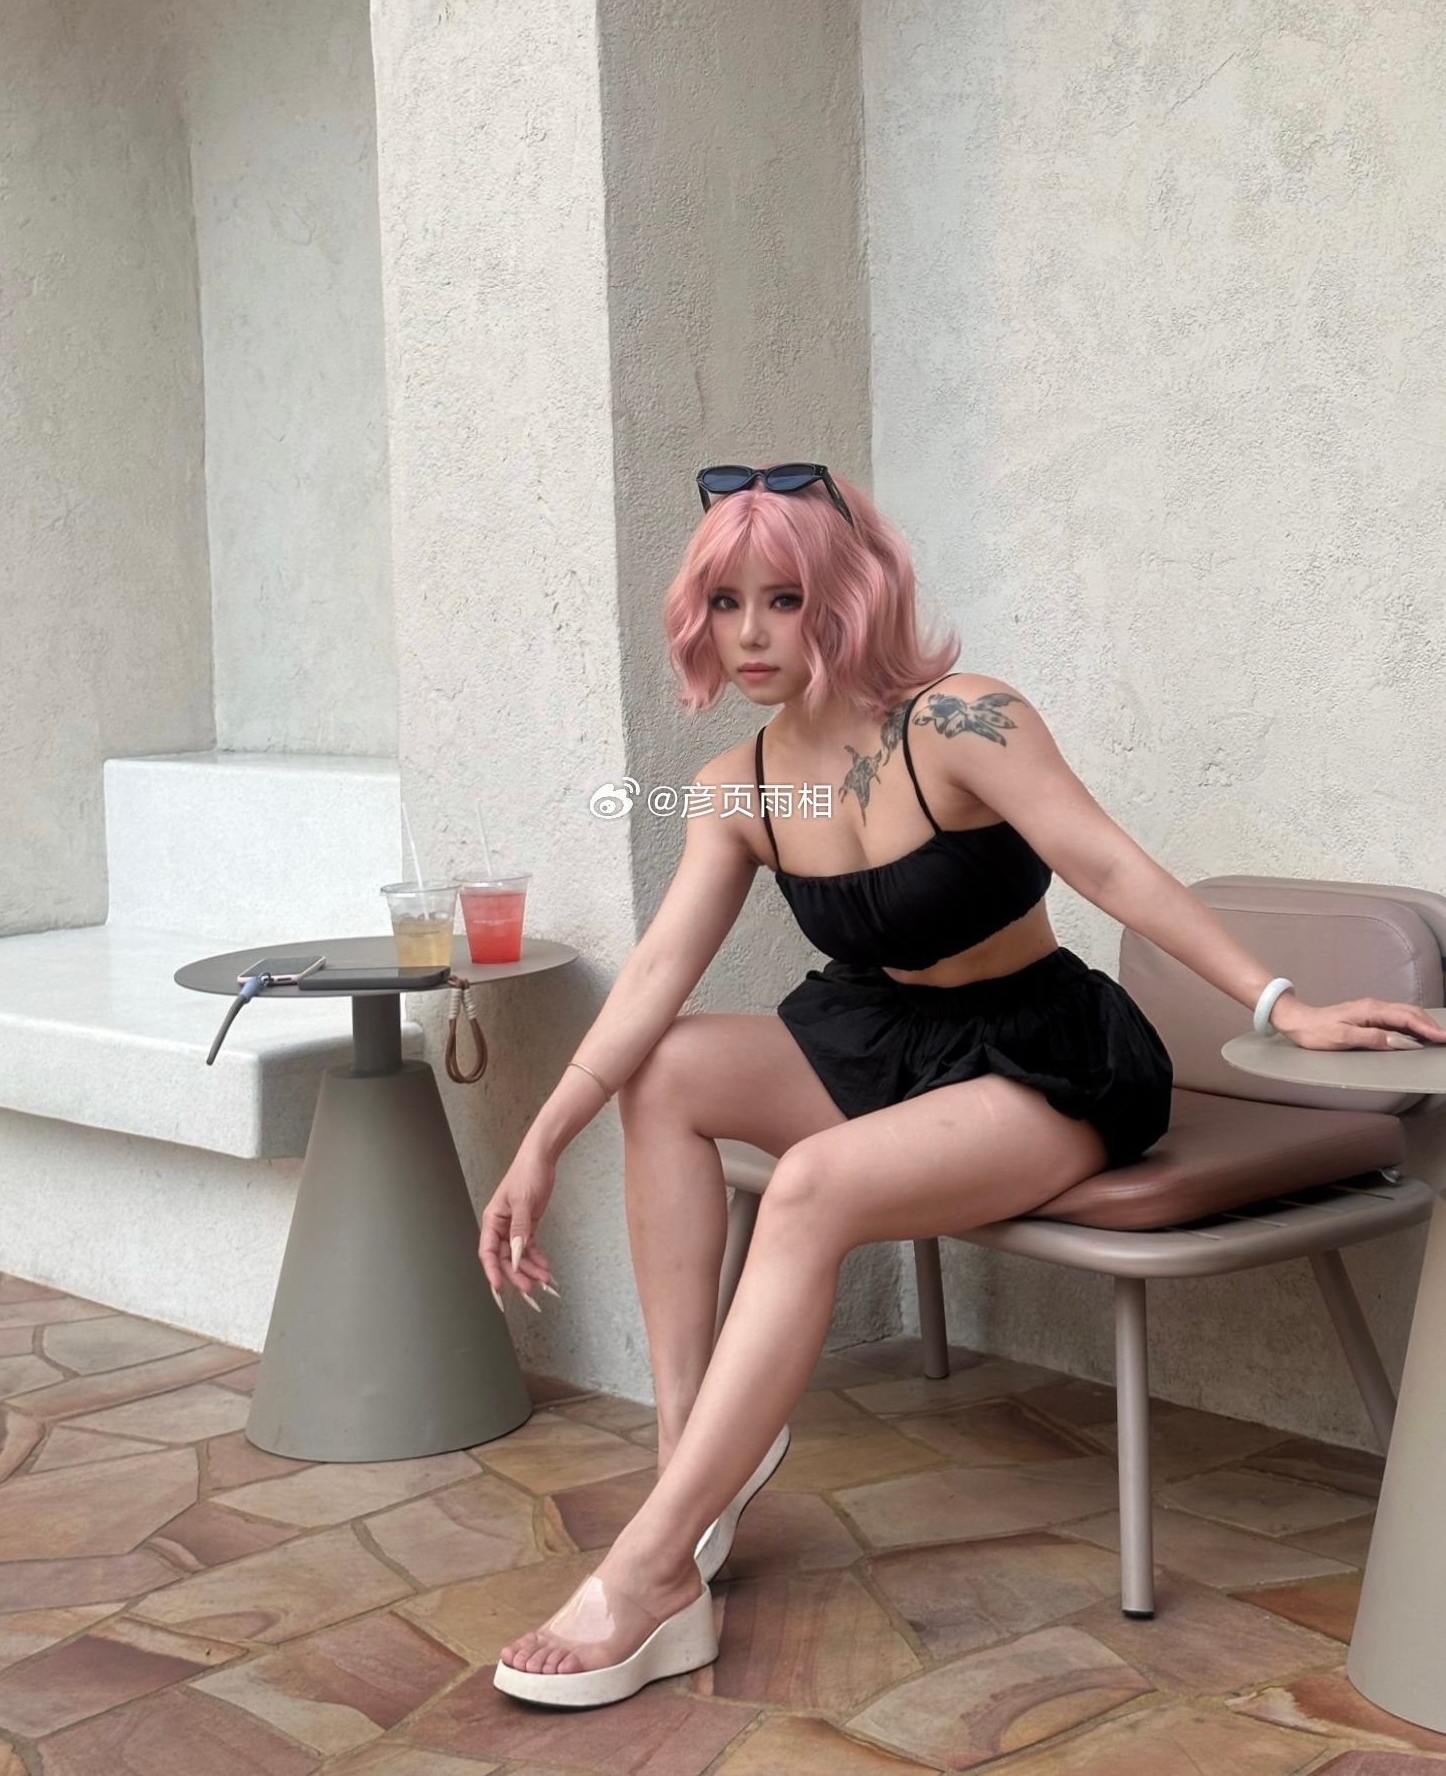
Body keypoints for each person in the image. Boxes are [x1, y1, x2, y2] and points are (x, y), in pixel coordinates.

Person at [477, 464, 1446, 1707]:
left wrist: (1284, 1005)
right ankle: (691, 1465)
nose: (753, 633)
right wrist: (541, 1144)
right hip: (883, 1038)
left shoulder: (961, 722)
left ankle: (653, 1572)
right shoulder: (741, 787)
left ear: (847, 597)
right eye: (726, 603)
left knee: (810, 1186)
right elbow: (657, 975)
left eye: (785, 599)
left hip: (1044, 1055)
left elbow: (1109, 865)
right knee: (663, 1068)